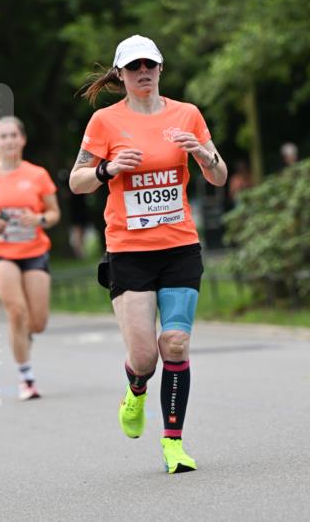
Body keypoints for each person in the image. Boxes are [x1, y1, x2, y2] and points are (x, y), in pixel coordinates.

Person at [69, 34, 227, 473]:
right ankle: (135, 391)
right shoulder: (104, 122)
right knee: (145, 357)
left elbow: (218, 176)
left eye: (150, 65)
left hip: (179, 246)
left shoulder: (187, 115)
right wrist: (106, 169)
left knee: (175, 344)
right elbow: (76, 180)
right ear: (120, 75)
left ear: (160, 70)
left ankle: (173, 442)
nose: (143, 73)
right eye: (134, 66)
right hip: (129, 251)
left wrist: (203, 155)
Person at [0, 116, 60, 400]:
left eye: (13, 135)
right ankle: (26, 378)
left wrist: (39, 218)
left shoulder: (37, 174)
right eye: (3, 136)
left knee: (38, 322)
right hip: (2, 254)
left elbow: (54, 213)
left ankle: (24, 335)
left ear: (22, 139)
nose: (8, 141)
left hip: (34, 252)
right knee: (16, 312)